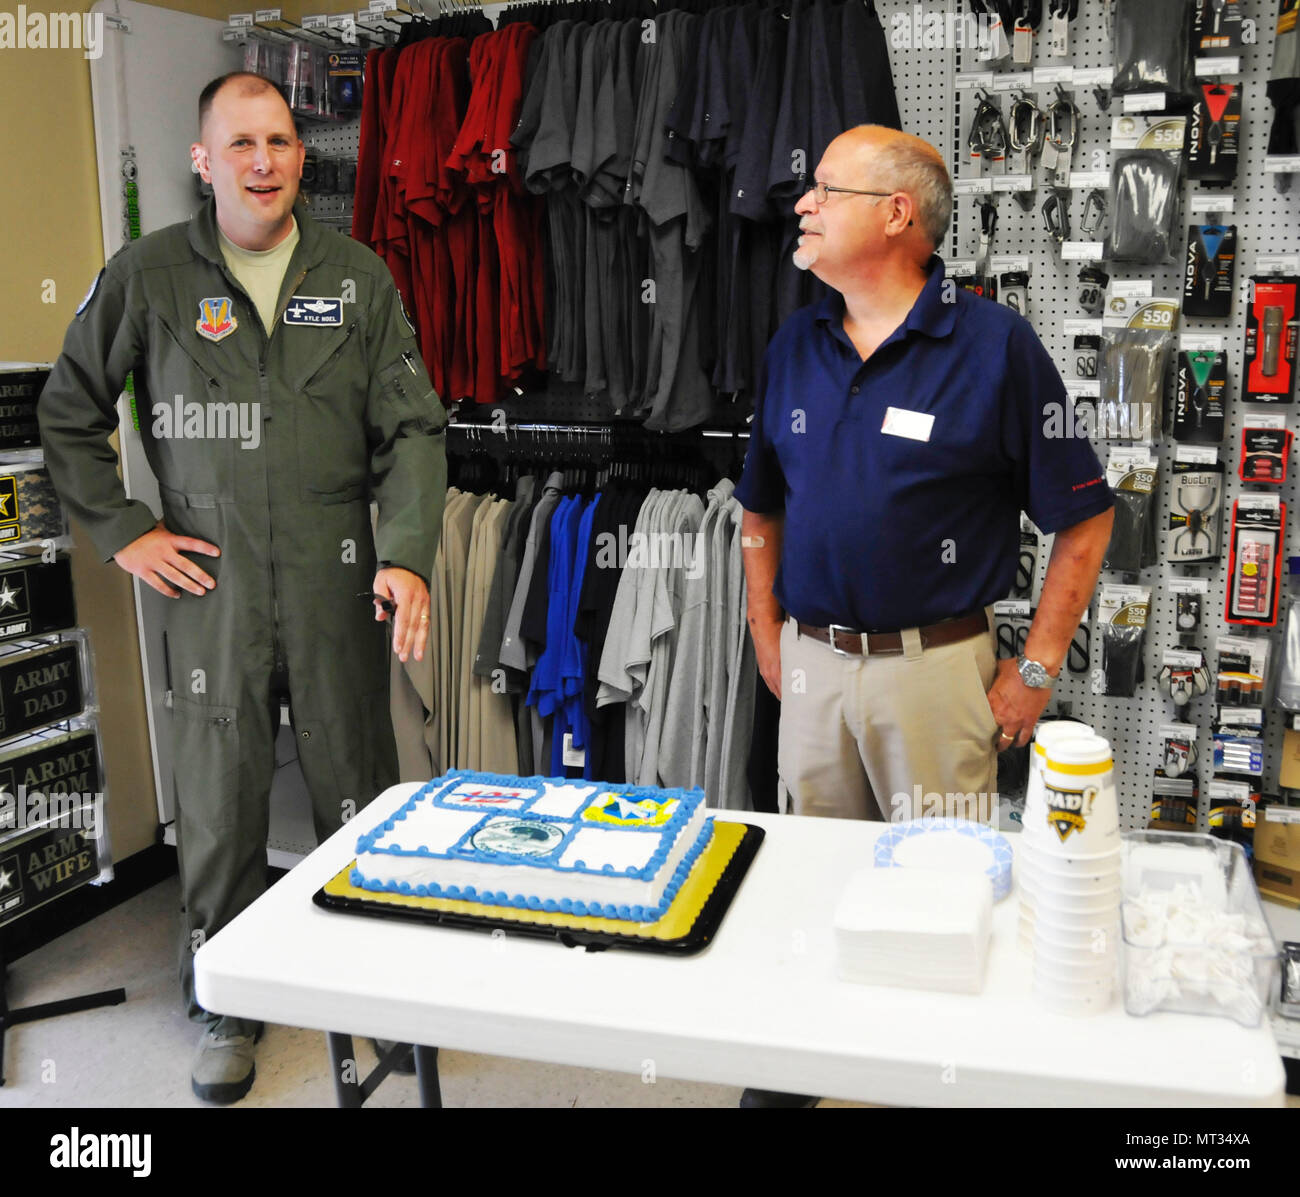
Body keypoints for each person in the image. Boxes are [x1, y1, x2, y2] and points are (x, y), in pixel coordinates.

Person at [38, 72, 448, 1104]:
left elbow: (411, 428)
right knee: (219, 794)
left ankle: (370, 978)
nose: (264, 161)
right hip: (207, 576)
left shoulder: (356, 277)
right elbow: (69, 409)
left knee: (356, 774)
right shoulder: (148, 275)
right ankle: (224, 998)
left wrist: (402, 552)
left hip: (332, 570)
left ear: (300, 156)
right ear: (202, 160)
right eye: (241, 143)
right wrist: (125, 531)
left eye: (281, 140)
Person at [733, 125, 1113, 1108]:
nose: (802, 204)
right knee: (813, 898)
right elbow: (758, 507)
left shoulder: (995, 348)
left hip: (936, 676)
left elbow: (1084, 517)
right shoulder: (793, 341)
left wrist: (1032, 671)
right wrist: (765, 630)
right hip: (813, 670)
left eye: (824, 188)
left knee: (944, 915)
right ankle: (798, 1074)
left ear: (898, 214)